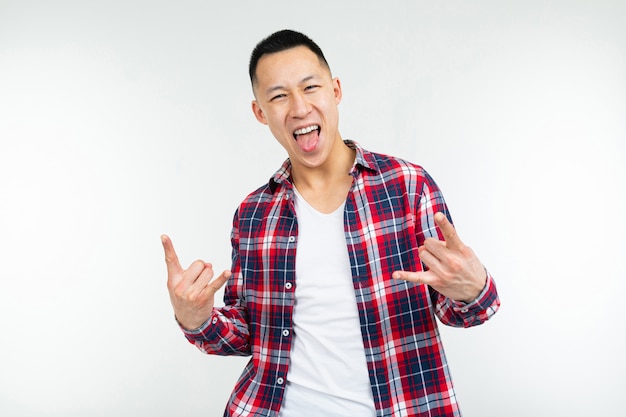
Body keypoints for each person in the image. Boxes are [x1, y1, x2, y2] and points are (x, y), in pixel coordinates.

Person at [161, 29, 500, 417]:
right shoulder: (253, 214)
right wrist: (195, 319)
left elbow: (461, 309)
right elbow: (247, 336)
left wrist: (474, 289)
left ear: (335, 90)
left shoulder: (407, 186)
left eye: (310, 87)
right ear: (260, 112)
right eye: (278, 96)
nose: (299, 107)